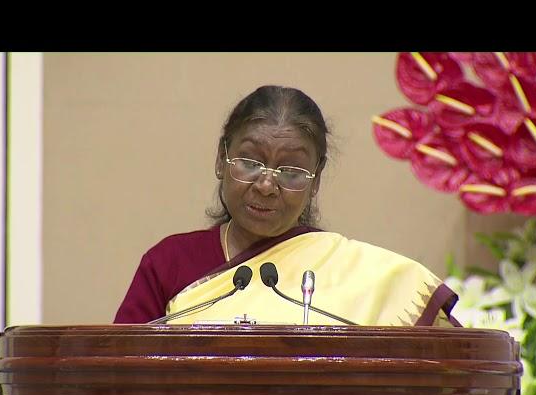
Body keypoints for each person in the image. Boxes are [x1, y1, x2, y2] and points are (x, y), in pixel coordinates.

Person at [114, 85, 459, 327]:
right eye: (249, 163)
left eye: (291, 171)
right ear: (221, 159)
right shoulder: (169, 264)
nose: (266, 186)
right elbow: (117, 376)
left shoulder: (352, 273)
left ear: (316, 179)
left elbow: (454, 369)